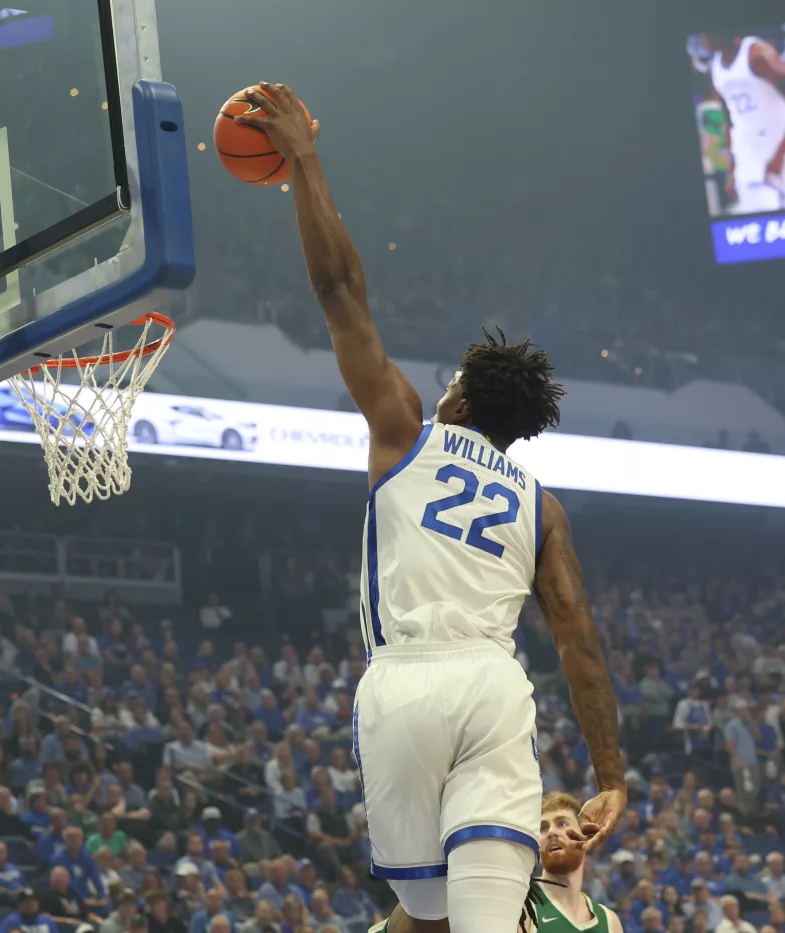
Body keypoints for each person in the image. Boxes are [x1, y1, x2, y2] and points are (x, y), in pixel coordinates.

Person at [233, 83, 625, 933]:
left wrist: (305, 161)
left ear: (461, 399)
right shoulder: (541, 506)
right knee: (481, 916)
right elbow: (580, 645)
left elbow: (339, 288)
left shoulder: (405, 429)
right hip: (492, 684)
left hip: (405, 684)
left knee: (424, 912)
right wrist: (611, 773)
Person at [700, 33, 785, 215]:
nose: (702, 37)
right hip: (749, 155)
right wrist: (732, 167)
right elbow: (729, 120)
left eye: (705, 33)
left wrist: (779, 156)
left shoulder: (756, 54)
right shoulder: (715, 68)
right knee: (757, 220)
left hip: (779, 144)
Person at [520, 792, 623, 932]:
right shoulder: (521, 904)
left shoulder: (610, 922)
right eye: (543, 828)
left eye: (562, 824)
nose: (551, 832)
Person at [40, 866, 105, 930]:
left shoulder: (73, 894)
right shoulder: (48, 896)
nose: (61, 879)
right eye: (58, 877)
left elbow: (86, 913)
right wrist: (66, 920)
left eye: (63, 876)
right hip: (64, 927)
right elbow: (45, 917)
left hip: (82, 924)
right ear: (52, 881)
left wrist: (98, 920)